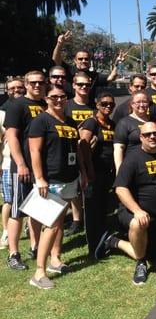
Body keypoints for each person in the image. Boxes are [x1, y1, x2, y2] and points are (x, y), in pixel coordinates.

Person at [96, 123, 156, 285]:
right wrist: (137, 210)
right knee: (137, 226)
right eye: (148, 134)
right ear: (141, 138)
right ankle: (140, 264)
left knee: (152, 255)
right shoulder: (132, 158)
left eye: (155, 133)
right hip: (132, 211)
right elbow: (120, 189)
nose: (152, 137)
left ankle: (113, 241)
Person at [29, 85, 85, 289]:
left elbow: (76, 150)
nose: (59, 100)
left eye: (62, 96)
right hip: (51, 180)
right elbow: (35, 151)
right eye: (54, 97)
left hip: (69, 178)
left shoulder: (70, 122)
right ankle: (39, 272)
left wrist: (83, 173)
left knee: (60, 222)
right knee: (51, 225)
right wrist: (40, 178)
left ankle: (55, 259)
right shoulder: (41, 121)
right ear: (46, 98)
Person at [4, 71, 47, 270]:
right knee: (17, 211)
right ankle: (14, 253)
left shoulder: (45, 105)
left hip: (41, 168)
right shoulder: (17, 105)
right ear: (26, 84)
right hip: (22, 168)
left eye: (40, 82)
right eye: (33, 83)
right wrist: (20, 163)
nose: (37, 85)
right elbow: (12, 136)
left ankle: (36, 246)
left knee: (36, 211)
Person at [79, 92, 116, 258]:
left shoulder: (111, 124)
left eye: (111, 104)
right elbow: (83, 145)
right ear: (97, 105)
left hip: (108, 173)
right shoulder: (91, 122)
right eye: (104, 104)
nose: (108, 106)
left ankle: (103, 241)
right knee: (92, 211)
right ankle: (93, 247)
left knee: (103, 209)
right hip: (94, 173)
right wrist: (88, 170)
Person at [51, 30, 122, 104]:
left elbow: (111, 78)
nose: (84, 61)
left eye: (86, 59)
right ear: (75, 60)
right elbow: (56, 59)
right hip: (69, 110)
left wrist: (118, 62)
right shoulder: (68, 70)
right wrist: (59, 44)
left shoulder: (95, 76)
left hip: (90, 110)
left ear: (89, 61)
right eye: (80, 59)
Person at [64, 72, 94, 237]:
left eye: (87, 85)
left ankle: (78, 220)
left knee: (84, 186)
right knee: (71, 188)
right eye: (80, 84)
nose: (84, 88)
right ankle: (70, 219)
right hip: (69, 151)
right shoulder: (66, 105)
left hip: (89, 153)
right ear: (74, 85)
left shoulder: (93, 109)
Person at [0, 77, 25, 249]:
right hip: (8, 163)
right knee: (9, 201)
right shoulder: (2, 113)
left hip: (29, 164)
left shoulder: (31, 107)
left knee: (29, 200)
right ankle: (6, 232)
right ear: (7, 90)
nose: (16, 90)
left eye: (19, 87)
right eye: (12, 88)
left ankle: (30, 231)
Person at [114, 91, 152, 172]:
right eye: (138, 102)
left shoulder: (153, 121)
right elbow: (119, 148)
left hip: (151, 166)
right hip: (133, 167)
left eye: (144, 102)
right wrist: (120, 171)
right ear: (132, 104)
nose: (141, 105)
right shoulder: (124, 123)